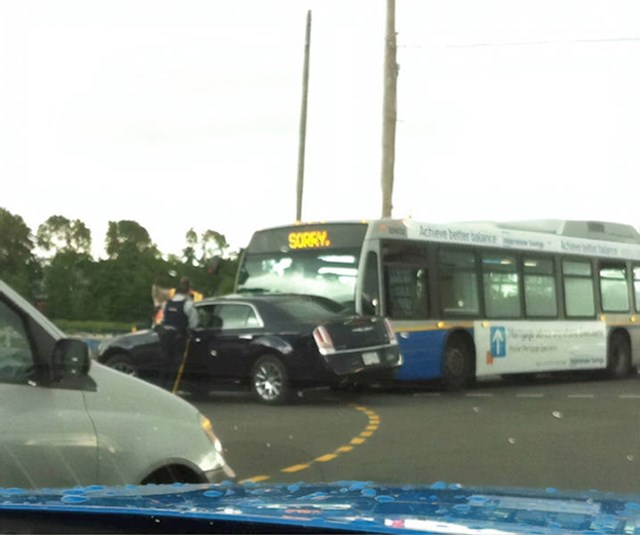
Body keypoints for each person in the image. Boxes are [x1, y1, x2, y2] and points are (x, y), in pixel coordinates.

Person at [158, 276, 199, 391]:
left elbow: (163, 320)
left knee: (164, 363)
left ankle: (161, 387)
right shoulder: (188, 304)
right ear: (187, 291)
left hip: (165, 336)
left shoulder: (167, 303)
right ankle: (172, 388)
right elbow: (194, 323)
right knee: (175, 365)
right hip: (178, 337)